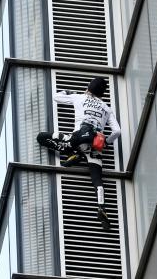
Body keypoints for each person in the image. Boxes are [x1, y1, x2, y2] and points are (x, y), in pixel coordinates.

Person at [36, 77, 121, 230]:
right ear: (102, 93)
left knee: (43, 137)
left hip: (76, 138)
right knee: (97, 180)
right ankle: (102, 208)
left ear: (89, 87)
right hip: (96, 146)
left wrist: (70, 91)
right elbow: (117, 131)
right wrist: (106, 143)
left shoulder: (79, 97)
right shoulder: (107, 108)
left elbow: (57, 97)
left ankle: (73, 151)